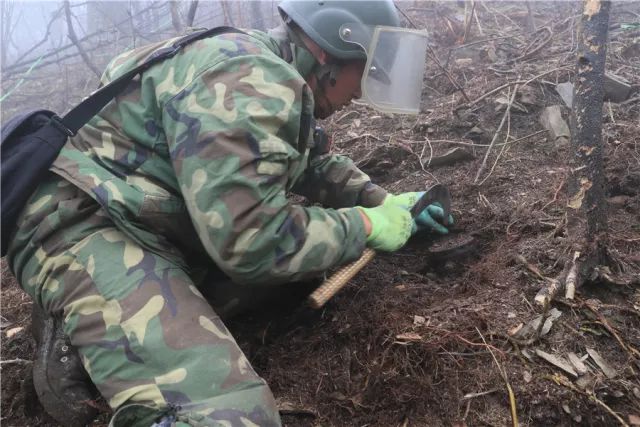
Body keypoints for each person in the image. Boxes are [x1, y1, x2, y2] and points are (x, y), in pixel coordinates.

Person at [6, 1, 452, 426]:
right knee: (227, 416)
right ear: (332, 48)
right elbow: (253, 243)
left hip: (141, 218)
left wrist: (380, 200)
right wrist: (367, 225)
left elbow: (307, 160)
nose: (363, 91)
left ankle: (94, 322)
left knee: (296, 277)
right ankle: (89, 307)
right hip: (80, 228)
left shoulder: (257, 61)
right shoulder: (250, 77)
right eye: (367, 69)